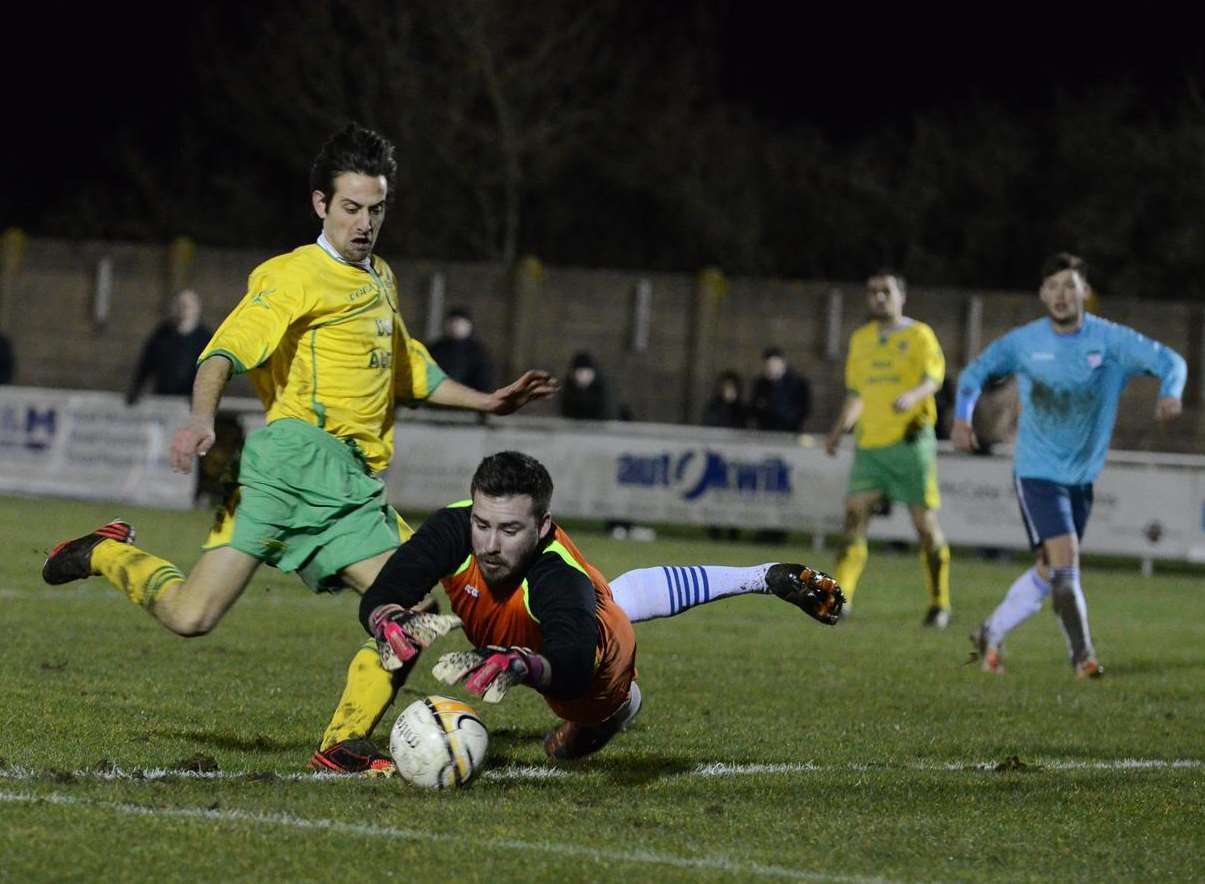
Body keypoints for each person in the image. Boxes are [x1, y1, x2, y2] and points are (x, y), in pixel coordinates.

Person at [41, 122, 559, 764]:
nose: (364, 223)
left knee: (399, 615)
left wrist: (484, 399)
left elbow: (406, 366)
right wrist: (203, 419)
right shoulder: (294, 276)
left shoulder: (380, 277)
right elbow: (222, 352)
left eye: (376, 209)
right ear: (320, 204)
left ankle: (342, 741)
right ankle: (104, 555)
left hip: (344, 483)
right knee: (201, 617)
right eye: (350, 208)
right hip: (290, 466)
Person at [351, 450, 846, 765]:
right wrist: (385, 618)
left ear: (543, 527)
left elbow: (569, 664)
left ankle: (623, 707)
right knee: (614, 597)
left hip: (593, 664)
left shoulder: (556, 577)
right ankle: (763, 575)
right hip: (564, 617)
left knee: (574, 736)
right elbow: (391, 583)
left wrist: (521, 663)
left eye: (510, 530)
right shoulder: (457, 527)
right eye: (483, 523)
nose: (490, 545)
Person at [955, 253, 1186, 678]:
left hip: (1081, 478)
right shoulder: (1025, 342)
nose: (1060, 295)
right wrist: (961, 417)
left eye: (1069, 285)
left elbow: (1172, 360)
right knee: (1066, 564)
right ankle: (1084, 658)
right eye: (1052, 287)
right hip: (1037, 472)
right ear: (1043, 294)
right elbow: (973, 375)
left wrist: (1170, 392)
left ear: (1085, 292)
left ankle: (989, 633)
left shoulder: (1111, 341)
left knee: (1050, 569)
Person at [824, 271, 952, 627]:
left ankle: (940, 604)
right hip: (870, 445)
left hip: (911, 442)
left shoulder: (919, 335)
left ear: (901, 297)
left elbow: (934, 378)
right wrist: (838, 431)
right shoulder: (861, 339)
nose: (879, 297)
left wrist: (912, 395)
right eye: (873, 292)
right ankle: (841, 600)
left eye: (886, 291)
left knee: (924, 526)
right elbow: (857, 394)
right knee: (854, 517)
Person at [126, 289, 212, 405]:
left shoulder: (205, 338)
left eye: (188, 306)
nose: (183, 310)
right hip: (163, 398)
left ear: (197, 309)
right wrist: (137, 388)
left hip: (191, 401)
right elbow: (146, 364)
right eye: (180, 305)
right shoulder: (161, 334)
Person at [427, 306, 493, 393]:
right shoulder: (436, 348)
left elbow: (484, 382)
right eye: (453, 322)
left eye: (460, 323)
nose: (456, 326)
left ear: (469, 325)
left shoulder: (478, 353)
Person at [750, 347, 811, 433]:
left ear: (783, 363)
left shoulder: (798, 383)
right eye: (768, 365)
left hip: (789, 432)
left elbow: (803, 410)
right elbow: (754, 408)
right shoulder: (760, 383)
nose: (771, 368)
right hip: (765, 432)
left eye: (774, 364)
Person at [560, 350, 616, 421]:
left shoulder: (602, 390)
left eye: (588, 373)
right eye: (581, 373)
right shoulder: (568, 389)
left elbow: (607, 412)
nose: (584, 377)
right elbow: (565, 412)